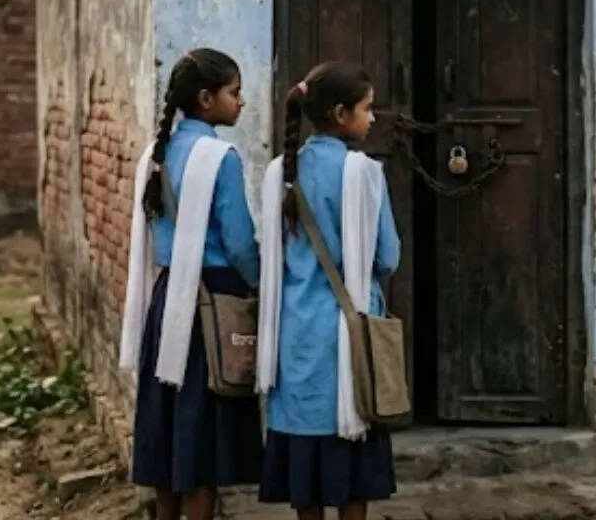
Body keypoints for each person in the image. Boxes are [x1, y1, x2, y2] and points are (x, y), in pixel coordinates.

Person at [119, 48, 262, 520]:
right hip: (210, 303)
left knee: (168, 429)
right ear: (206, 99)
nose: (242, 102)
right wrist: (261, 283)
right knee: (203, 437)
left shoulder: (156, 154)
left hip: (167, 303)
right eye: (234, 92)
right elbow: (239, 243)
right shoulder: (221, 158)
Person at [256, 61, 401, 520]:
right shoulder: (365, 174)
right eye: (367, 108)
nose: (373, 118)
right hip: (349, 338)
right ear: (341, 114)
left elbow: (270, 256)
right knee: (352, 471)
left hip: (296, 335)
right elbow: (388, 259)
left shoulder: (281, 172)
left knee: (305, 476)